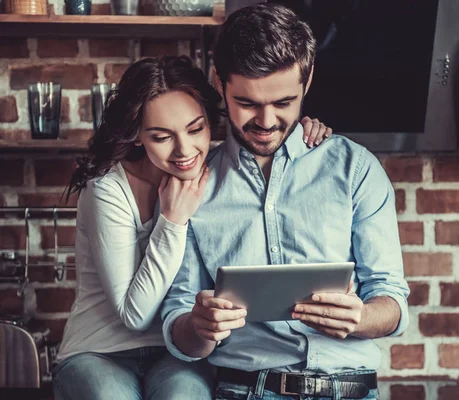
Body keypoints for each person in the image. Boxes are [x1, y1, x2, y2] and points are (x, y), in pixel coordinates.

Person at [160, 4, 410, 400]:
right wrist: (198, 326)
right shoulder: (190, 183)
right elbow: (177, 318)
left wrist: (361, 316)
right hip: (243, 390)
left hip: (350, 389)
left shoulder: (355, 169)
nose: (266, 120)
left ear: (307, 81)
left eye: (283, 103)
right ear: (218, 81)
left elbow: (392, 299)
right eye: (247, 103)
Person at [52, 55, 332, 400]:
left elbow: (267, 137)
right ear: (137, 135)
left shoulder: (214, 166)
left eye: (196, 129)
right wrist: (171, 220)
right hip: (98, 351)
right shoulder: (107, 189)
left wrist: (305, 129)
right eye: (161, 136)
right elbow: (135, 315)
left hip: (178, 353)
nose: (185, 150)